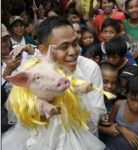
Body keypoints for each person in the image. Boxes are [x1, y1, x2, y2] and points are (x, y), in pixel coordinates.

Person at [2, 16, 106, 150]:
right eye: (64, 46)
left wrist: (69, 105)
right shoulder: (33, 72)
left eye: (75, 43)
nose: (73, 52)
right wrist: (37, 111)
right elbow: (20, 109)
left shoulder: (90, 68)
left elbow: (96, 113)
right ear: (44, 50)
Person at [99, 75, 138, 150]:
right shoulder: (119, 105)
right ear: (126, 94)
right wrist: (121, 129)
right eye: (132, 99)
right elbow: (110, 126)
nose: (136, 105)